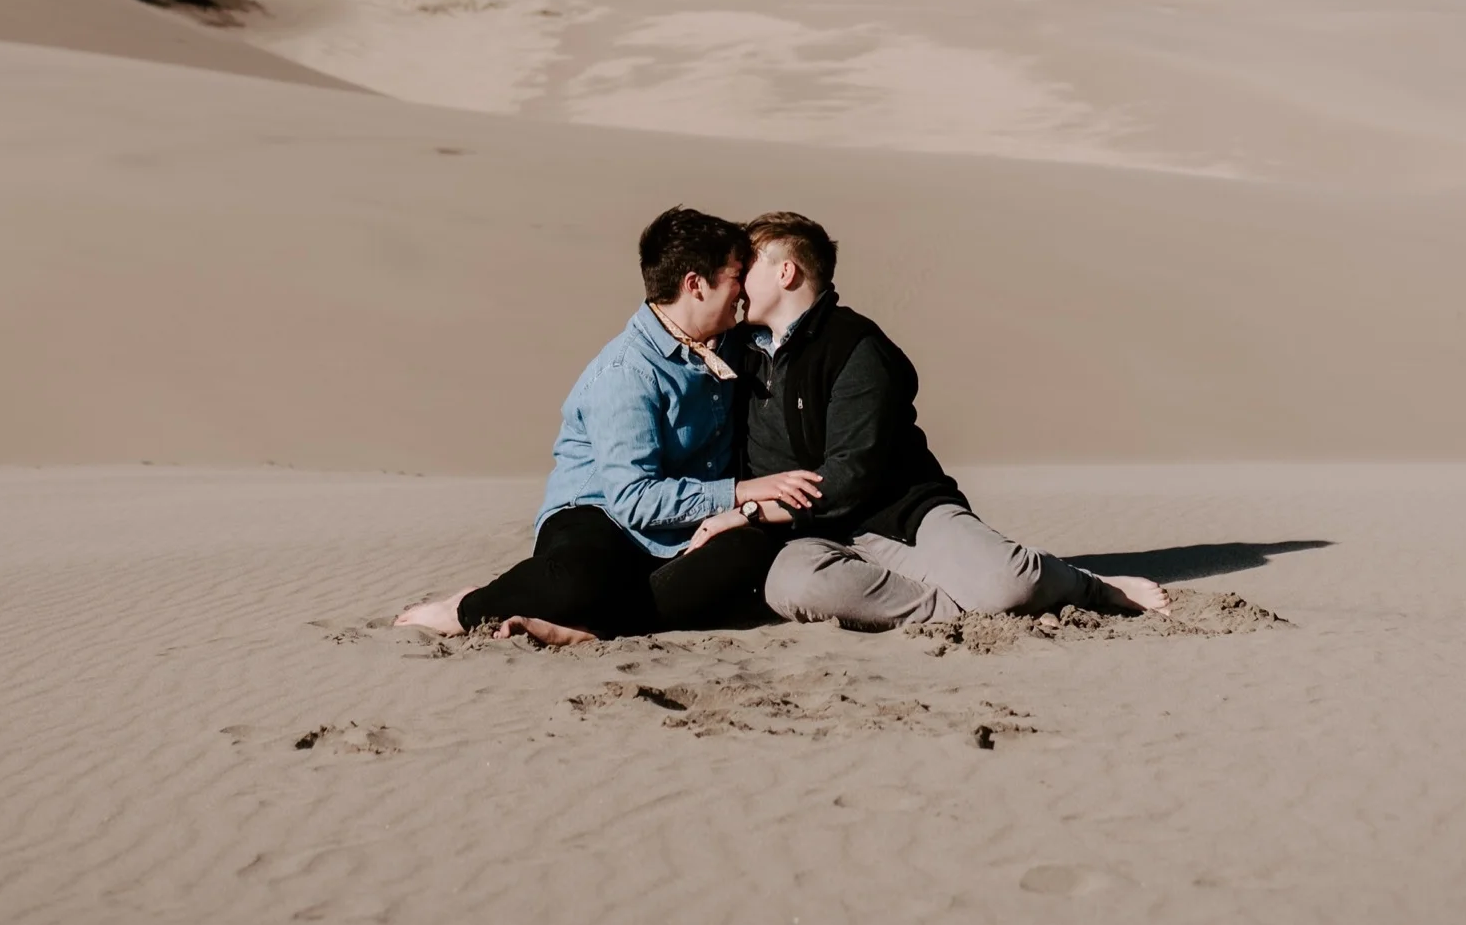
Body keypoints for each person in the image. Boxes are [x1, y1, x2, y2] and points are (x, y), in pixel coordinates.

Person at [682, 212, 1168, 627]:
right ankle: (965, 610)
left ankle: (1088, 587)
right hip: (805, 534)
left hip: (898, 515)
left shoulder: (856, 348)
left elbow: (850, 475)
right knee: (795, 587)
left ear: (786, 272)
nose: (736, 280)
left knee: (1009, 583)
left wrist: (749, 511)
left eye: (749, 265)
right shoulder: (737, 351)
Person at [394, 207, 821, 646]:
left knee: (749, 552)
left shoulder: (732, 342)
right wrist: (739, 492)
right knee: (579, 583)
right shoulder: (627, 372)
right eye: (735, 275)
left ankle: (589, 626)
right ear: (695, 284)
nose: (744, 289)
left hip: (686, 527)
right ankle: (468, 606)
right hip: (602, 519)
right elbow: (634, 500)